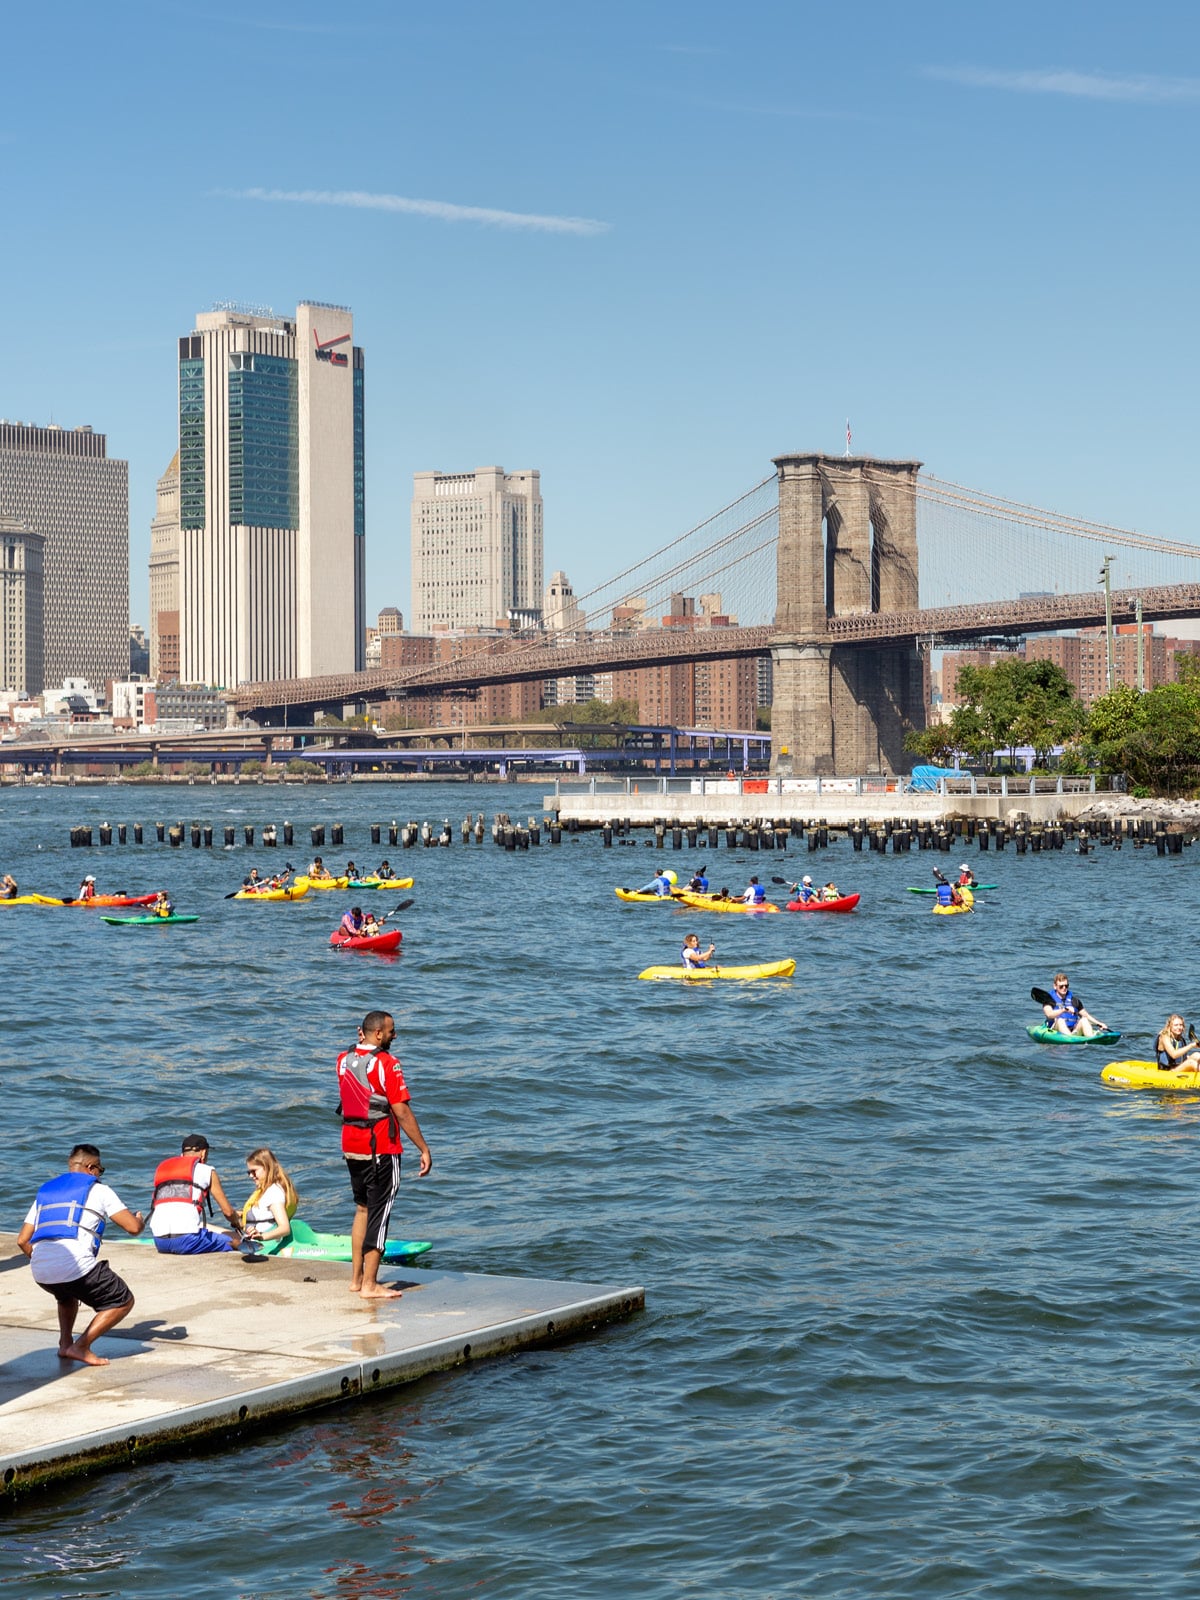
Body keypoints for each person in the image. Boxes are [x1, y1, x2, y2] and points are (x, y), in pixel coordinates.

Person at [16, 1143, 145, 1366]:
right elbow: (132, 1228)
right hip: (74, 1265)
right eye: (100, 1170)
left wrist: (44, 1261)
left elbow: (22, 1240)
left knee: (66, 1295)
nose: (99, 1175)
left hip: (41, 1271)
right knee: (122, 1300)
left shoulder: (46, 1191)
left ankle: (65, 1344)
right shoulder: (100, 1190)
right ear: (91, 1167)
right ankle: (81, 1347)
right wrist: (141, 1221)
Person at [337, 1010, 432, 1299]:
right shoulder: (388, 1064)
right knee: (380, 1215)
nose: (395, 1035)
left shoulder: (343, 1060)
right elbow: (401, 1110)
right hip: (381, 1147)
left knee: (362, 1209)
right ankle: (370, 1285)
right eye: (391, 1031)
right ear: (378, 1033)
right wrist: (423, 1148)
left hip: (351, 1144)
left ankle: (356, 1280)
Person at [149, 1134, 241, 1253]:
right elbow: (228, 1212)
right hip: (188, 1242)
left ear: (182, 1154)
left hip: (160, 1242)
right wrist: (237, 1222)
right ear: (203, 1153)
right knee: (235, 1240)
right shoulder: (207, 1170)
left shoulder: (163, 1168)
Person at [240, 1148, 299, 1247]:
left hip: (260, 1244)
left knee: (207, 1228)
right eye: (249, 1172)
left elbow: (284, 1228)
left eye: (254, 1171)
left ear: (267, 1167)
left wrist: (262, 1236)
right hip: (251, 1239)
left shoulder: (274, 1192)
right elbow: (265, 1213)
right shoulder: (268, 1190)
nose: (250, 1175)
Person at [1041, 973, 1103, 1038]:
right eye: (1061, 986)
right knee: (1060, 1020)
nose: (1064, 988)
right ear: (1055, 986)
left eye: (1066, 986)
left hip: (1073, 1030)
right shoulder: (1048, 999)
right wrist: (1064, 1010)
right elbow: (1049, 1014)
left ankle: (1090, 1039)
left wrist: (1099, 1023)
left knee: (1084, 1020)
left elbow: (1086, 1015)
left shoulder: (1074, 1000)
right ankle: (1071, 1038)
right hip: (1055, 1030)